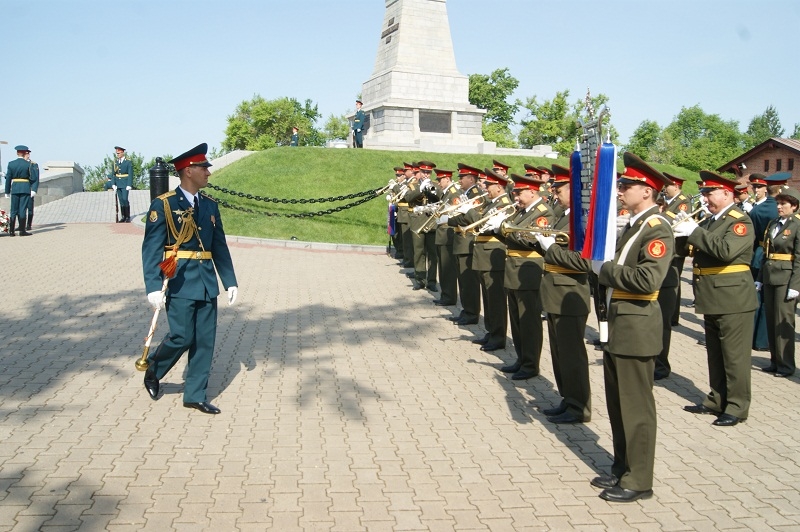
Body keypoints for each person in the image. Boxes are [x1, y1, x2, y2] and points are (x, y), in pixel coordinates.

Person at [590, 152, 673, 503]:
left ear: (647, 191)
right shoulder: (635, 223)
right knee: (618, 405)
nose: (620, 190)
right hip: (620, 324)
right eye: (621, 184)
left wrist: (602, 269)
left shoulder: (658, 229)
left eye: (627, 185)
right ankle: (623, 467)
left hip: (636, 327)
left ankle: (639, 479)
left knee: (636, 409)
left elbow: (646, 278)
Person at [141, 143, 238, 415]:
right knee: (182, 337)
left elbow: (219, 246)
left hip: (206, 282)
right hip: (180, 280)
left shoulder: (209, 205)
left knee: (204, 340)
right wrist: (152, 287)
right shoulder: (165, 205)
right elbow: (151, 249)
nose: (208, 172)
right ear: (188, 171)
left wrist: (229, 280)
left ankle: (194, 394)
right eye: (203, 167)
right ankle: (154, 371)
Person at [674, 171, 757, 427]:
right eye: (705, 193)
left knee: (734, 357)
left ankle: (737, 406)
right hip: (712, 296)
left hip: (733, 298)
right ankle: (717, 399)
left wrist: (694, 230)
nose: (706, 198)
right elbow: (692, 251)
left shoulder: (739, 221)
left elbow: (725, 251)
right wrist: (679, 234)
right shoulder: (711, 221)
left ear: (727, 193)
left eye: (710, 193)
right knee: (716, 355)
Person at [536, 171, 592, 424]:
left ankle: (579, 406)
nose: (554, 194)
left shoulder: (582, 220)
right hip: (556, 291)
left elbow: (583, 262)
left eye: (560, 190)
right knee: (560, 353)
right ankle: (568, 399)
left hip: (570, 293)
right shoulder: (564, 216)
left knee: (572, 354)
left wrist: (550, 248)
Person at [500, 173, 554, 380]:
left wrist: (508, 232)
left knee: (529, 321)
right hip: (514, 270)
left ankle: (531, 364)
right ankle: (521, 359)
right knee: (516, 320)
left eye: (520, 193)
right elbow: (513, 231)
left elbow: (530, 239)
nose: (516, 197)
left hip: (529, 271)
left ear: (532, 192)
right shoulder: (522, 211)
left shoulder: (543, 212)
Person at [756, 187, 800, 377]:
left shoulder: (797, 225)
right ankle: (775, 361)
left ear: (795, 206)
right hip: (769, 275)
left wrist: (795, 286)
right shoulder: (774, 223)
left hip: (786, 278)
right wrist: (759, 279)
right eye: (778, 203)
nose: (779, 207)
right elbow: (766, 253)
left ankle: (786, 365)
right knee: (771, 319)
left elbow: (799, 258)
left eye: (783, 204)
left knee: (783, 322)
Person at [654, 172, 693, 379]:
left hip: (675, 252)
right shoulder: (668, 203)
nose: (665, 189)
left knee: (664, 317)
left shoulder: (682, 202)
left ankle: (660, 365)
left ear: (675, 185)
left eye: (668, 186)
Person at [447, 164, 485, 325]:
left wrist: (449, 219)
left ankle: (472, 313)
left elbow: (469, 218)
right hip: (461, 240)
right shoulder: (465, 193)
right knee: (463, 280)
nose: (459, 180)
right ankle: (466, 310)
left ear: (471, 179)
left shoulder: (476, 195)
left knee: (469, 281)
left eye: (462, 177)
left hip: (468, 241)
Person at [747, 173, 777, 351]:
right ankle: (761, 340)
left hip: (758, 253)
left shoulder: (756, 209)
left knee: (758, 297)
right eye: (755, 187)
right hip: (768, 255)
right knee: (765, 300)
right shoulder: (772, 208)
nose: (755, 190)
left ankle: (754, 338)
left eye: (758, 187)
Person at [406, 161, 439, 290]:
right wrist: (420, 189)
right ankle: (420, 279)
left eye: (428, 172)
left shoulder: (435, 185)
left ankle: (431, 281)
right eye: (424, 172)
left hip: (431, 221)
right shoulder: (413, 186)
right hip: (418, 221)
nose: (426, 174)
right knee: (419, 252)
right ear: (419, 172)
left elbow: (439, 198)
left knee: (432, 253)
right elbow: (408, 198)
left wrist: (430, 190)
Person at [432, 169, 460, 306]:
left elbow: (455, 212)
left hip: (448, 233)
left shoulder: (453, 192)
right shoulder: (447, 192)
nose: (438, 183)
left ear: (447, 179)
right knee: (442, 267)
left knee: (448, 268)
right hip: (442, 232)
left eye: (440, 180)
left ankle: (449, 296)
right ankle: (445, 294)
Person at [4, 145, 38, 236]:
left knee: (13, 210)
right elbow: (33, 178)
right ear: (24, 153)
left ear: (17, 153)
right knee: (22, 209)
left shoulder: (11, 164)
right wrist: (34, 189)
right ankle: (22, 231)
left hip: (15, 188)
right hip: (25, 188)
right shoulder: (28, 164)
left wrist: (7, 191)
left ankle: (11, 232)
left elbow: (8, 178)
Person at [108, 146, 134, 223]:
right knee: (121, 200)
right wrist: (113, 184)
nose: (117, 155)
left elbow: (130, 174)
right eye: (117, 153)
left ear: (123, 152)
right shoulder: (115, 162)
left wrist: (129, 184)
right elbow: (113, 174)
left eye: (119, 153)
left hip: (125, 183)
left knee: (125, 199)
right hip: (118, 184)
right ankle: (123, 216)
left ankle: (128, 217)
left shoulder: (128, 162)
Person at [22, 149, 39, 231]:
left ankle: (29, 224)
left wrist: (34, 189)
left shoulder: (33, 164)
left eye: (28, 153)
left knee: (30, 209)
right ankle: (21, 225)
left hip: (29, 188)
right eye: (25, 153)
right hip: (22, 188)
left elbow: (36, 178)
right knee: (21, 209)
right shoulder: (21, 163)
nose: (27, 155)